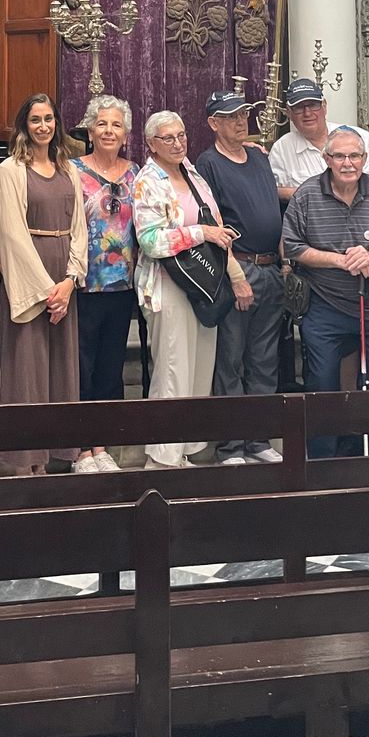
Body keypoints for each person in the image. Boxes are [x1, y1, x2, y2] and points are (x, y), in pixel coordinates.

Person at [283, 126, 369, 457]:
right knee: (322, 385)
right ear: (326, 159)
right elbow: (293, 247)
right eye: (339, 156)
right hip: (324, 305)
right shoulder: (307, 195)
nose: (347, 163)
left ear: (365, 159)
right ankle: (321, 461)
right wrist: (339, 261)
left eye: (354, 155)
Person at [134, 110, 236, 471]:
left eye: (181, 135)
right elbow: (150, 241)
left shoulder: (193, 174)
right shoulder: (148, 181)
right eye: (168, 138)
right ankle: (162, 460)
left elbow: (215, 220)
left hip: (202, 282)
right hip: (168, 284)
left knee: (198, 367)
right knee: (172, 369)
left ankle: (185, 451)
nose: (178, 143)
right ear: (151, 144)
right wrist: (200, 233)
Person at [0, 94, 87, 474]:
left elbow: (80, 228)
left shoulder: (69, 169)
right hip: (29, 279)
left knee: (62, 366)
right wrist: (47, 291)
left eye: (49, 119)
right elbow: (11, 235)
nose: (43, 126)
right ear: (24, 125)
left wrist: (70, 281)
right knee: (27, 369)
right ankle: (24, 460)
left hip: (63, 279)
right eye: (35, 120)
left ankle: (56, 453)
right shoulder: (10, 170)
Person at [197, 91, 285, 466]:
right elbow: (211, 224)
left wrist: (284, 263)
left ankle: (258, 440)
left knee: (265, 361)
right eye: (230, 116)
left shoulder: (260, 157)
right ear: (213, 123)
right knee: (231, 361)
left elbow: (273, 211)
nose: (239, 121)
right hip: (239, 269)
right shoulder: (208, 163)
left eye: (243, 114)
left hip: (271, 269)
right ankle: (231, 446)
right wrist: (235, 277)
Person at [71, 94, 138, 474]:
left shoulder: (136, 173)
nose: (109, 131)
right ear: (90, 131)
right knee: (82, 368)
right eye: (102, 124)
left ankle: (103, 445)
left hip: (122, 288)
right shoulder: (72, 171)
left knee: (111, 370)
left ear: (125, 134)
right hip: (83, 285)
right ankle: (82, 449)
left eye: (116, 125)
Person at [269, 79, 369, 203]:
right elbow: (270, 191)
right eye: (299, 107)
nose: (307, 113)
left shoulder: (359, 137)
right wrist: (307, 194)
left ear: (324, 106)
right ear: (289, 112)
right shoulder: (282, 148)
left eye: (313, 105)